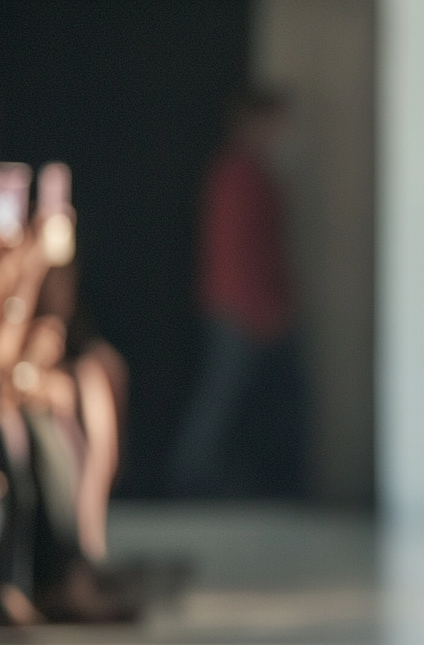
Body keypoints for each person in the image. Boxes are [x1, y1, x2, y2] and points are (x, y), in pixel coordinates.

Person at [171, 87, 305, 498]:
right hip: (242, 307)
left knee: (231, 397)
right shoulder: (238, 175)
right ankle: (192, 477)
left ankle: (204, 476)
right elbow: (239, 250)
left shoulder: (246, 173)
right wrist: (263, 308)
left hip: (245, 304)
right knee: (222, 397)